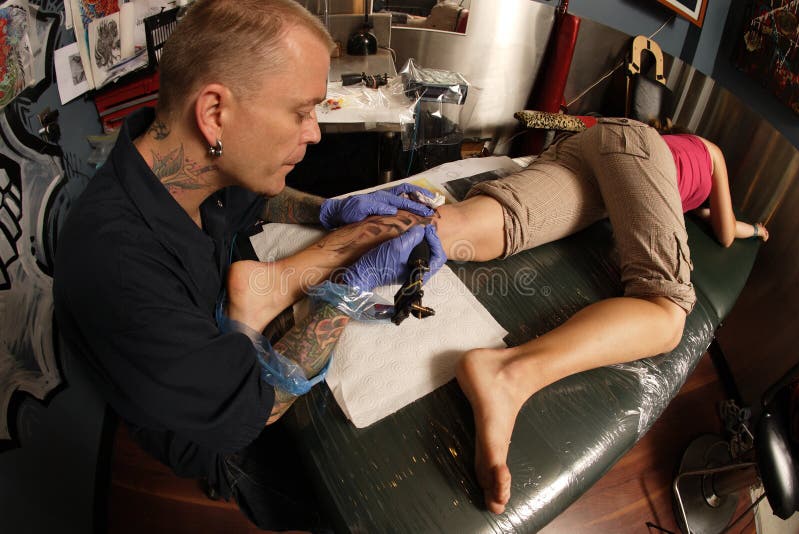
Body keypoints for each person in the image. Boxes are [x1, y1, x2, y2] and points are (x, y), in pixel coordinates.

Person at [53, 0, 439, 530]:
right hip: (219, 442)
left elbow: (254, 202)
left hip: (221, 328)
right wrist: (349, 288)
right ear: (214, 113)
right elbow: (256, 406)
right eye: (301, 112)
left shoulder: (180, 161)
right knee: (385, 504)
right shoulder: (116, 265)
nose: (315, 133)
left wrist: (328, 211)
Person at [272, 117, 768, 515]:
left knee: (459, 226)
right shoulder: (711, 154)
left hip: (597, 149)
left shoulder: (673, 162)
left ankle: (277, 278)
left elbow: (676, 203)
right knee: (668, 311)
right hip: (635, 149)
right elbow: (723, 230)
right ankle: (508, 374)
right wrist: (755, 231)